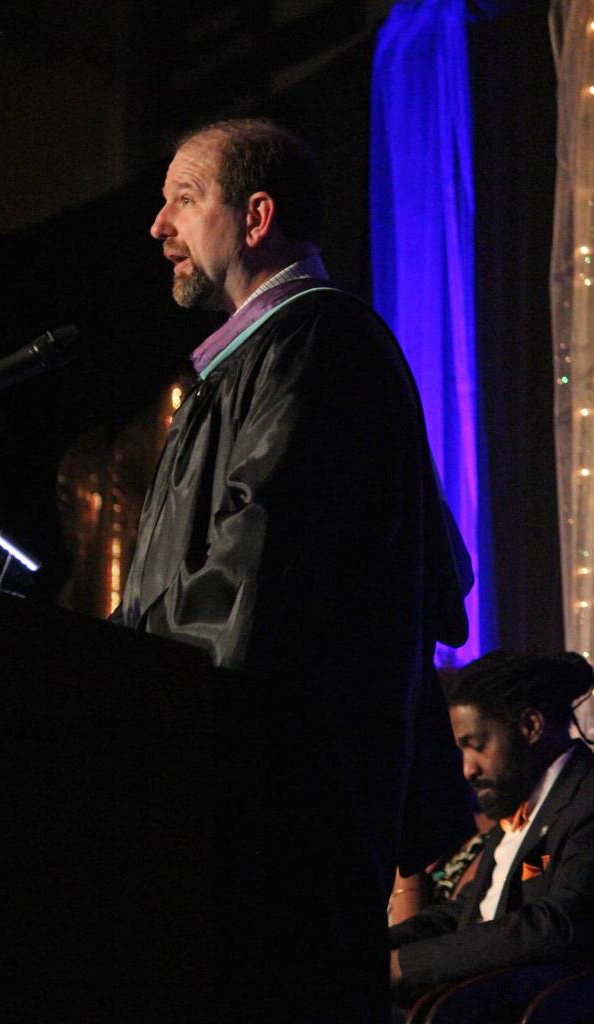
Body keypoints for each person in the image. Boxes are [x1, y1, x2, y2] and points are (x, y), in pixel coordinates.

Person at [113, 117, 474, 1022]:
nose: (159, 226)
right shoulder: (265, 360)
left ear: (257, 215)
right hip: (240, 797)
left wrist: (120, 681)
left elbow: (255, 572)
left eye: (183, 200)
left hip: (279, 812)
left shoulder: (320, 346)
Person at [390, 650, 594, 1008]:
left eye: (477, 746)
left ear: (530, 726)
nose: (468, 769)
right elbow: (471, 912)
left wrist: (405, 965)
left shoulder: (585, 797)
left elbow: (557, 924)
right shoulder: (521, 802)